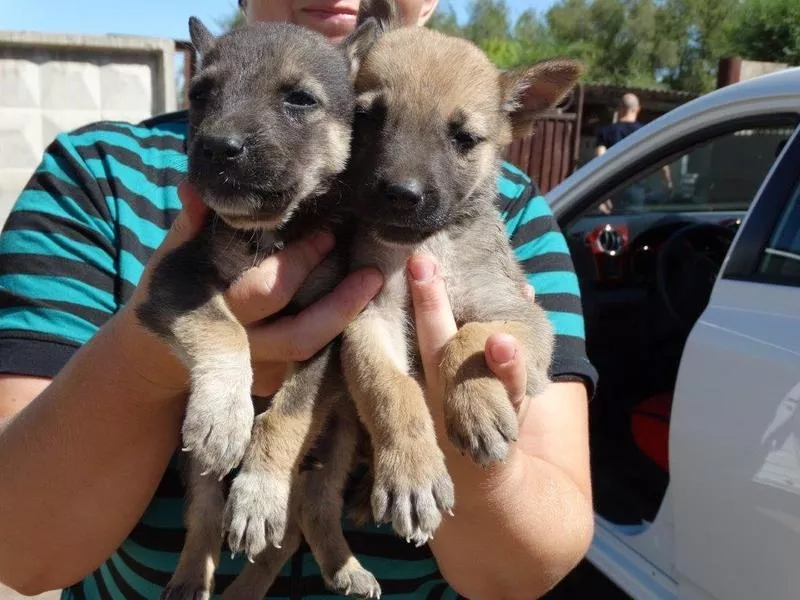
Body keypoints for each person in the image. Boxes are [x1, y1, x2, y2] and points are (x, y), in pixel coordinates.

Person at [0, 1, 598, 598]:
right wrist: (160, 355)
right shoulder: (97, 177)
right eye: (374, 121)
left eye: (463, 138)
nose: (404, 177)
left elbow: (535, 566)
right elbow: (20, 554)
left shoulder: (514, 211)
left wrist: (460, 395)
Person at [595, 93, 671, 213]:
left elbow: (599, 162)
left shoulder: (605, 132)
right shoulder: (647, 132)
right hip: (638, 193)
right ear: (637, 109)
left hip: (613, 192)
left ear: (620, 108)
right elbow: (661, 160)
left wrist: (601, 195)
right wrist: (667, 182)